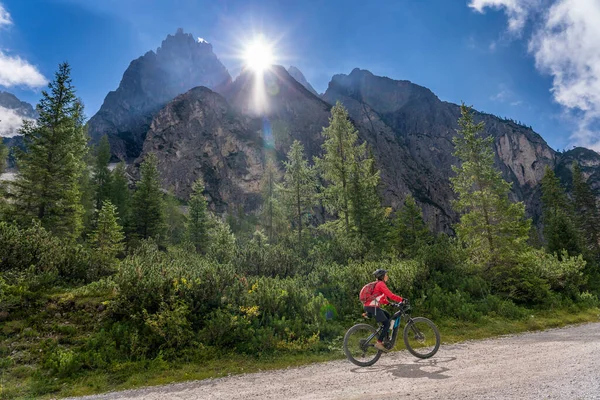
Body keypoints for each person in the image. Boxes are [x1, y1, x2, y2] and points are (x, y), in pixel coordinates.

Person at [363, 269, 404, 352]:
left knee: (388, 316)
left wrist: (390, 304)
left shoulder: (378, 285)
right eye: (386, 275)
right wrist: (402, 300)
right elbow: (391, 295)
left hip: (371, 307)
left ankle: (386, 339)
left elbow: (381, 299)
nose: (387, 276)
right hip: (372, 307)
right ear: (382, 276)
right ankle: (379, 342)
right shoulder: (381, 284)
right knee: (387, 323)